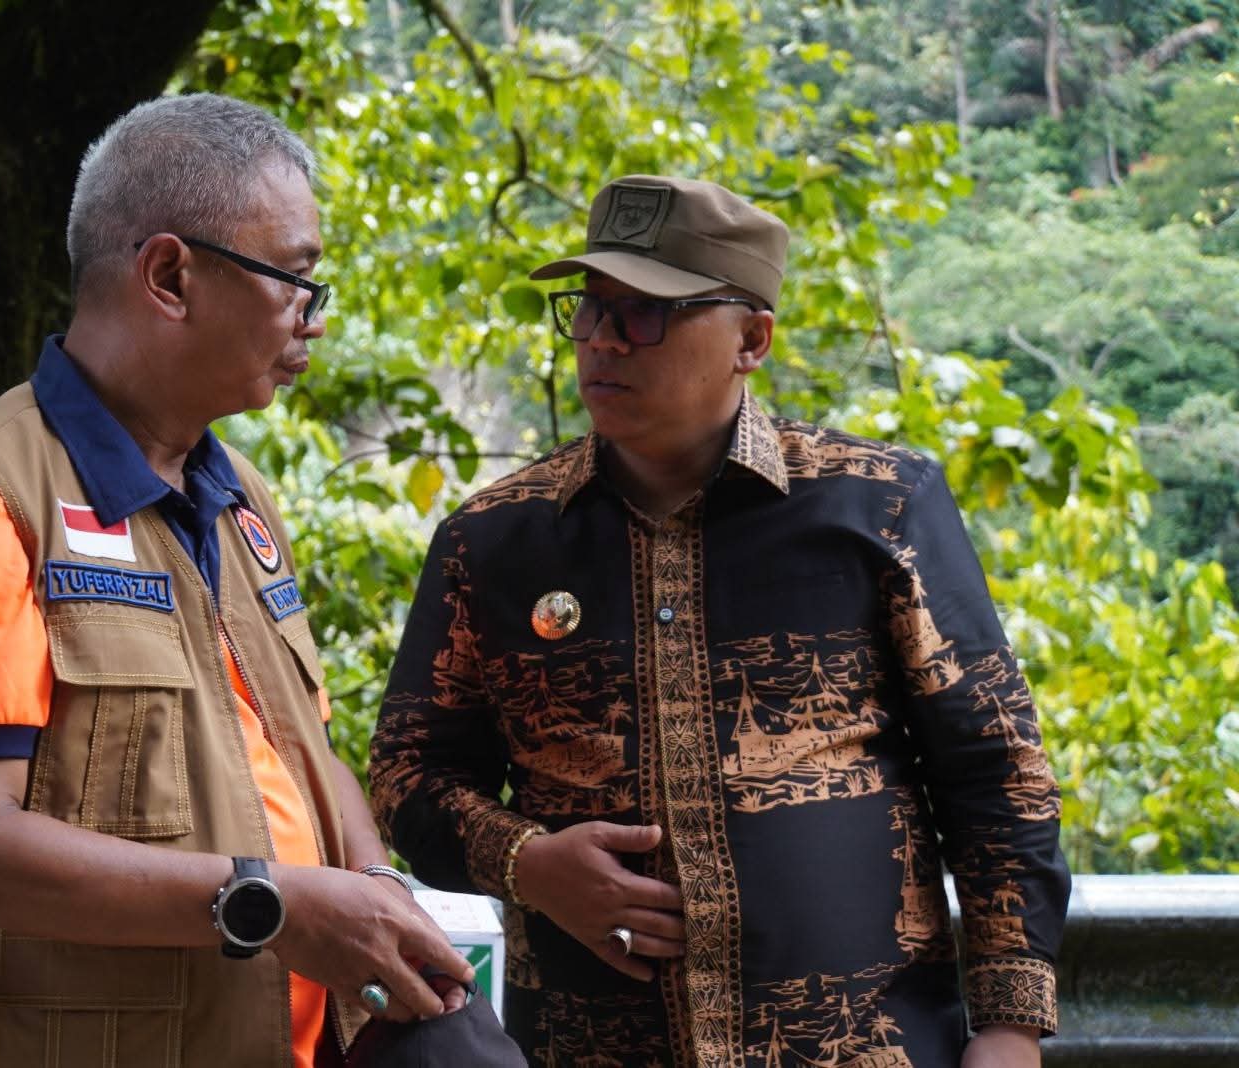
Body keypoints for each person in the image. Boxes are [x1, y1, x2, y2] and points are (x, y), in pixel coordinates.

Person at [369, 175, 1070, 1067]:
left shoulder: (879, 507)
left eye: (644, 313)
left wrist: (1010, 1029)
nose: (602, 341)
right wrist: (528, 864)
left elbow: (997, 773)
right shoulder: (493, 540)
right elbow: (406, 774)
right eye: (586, 310)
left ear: (751, 337)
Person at [0, 93, 471, 1068]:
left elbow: (303, 755)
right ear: (171, 276)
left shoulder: (237, 496)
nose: (313, 315)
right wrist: (276, 906)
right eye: (295, 278)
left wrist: (376, 889)